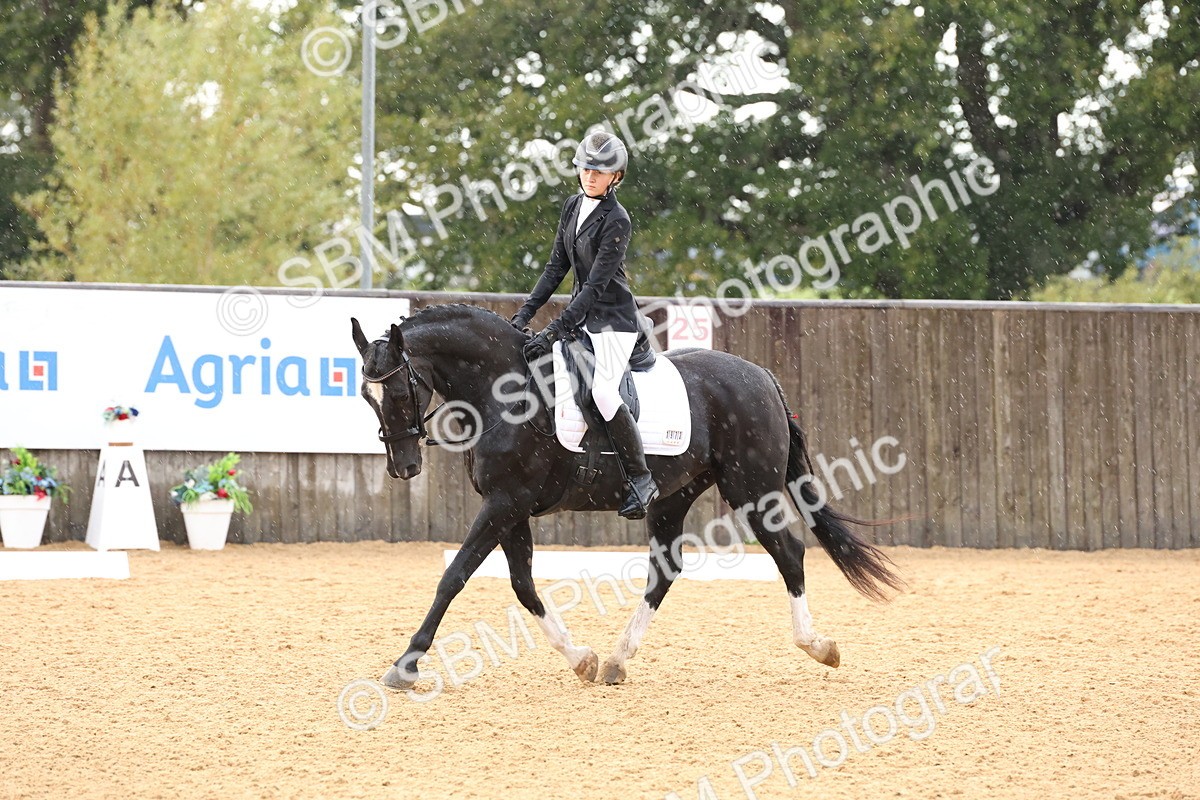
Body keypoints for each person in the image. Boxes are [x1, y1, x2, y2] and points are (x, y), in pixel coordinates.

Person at [511, 130, 659, 520]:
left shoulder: (618, 219)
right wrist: (525, 314)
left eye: (599, 171)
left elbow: (594, 286)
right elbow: (556, 267)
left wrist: (554, 330)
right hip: (581, 319)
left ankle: (641, 479)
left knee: (604, 393)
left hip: (613, 322)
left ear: (616, 177)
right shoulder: (572, 206)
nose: (590, 176)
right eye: (585, 169)